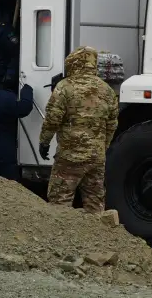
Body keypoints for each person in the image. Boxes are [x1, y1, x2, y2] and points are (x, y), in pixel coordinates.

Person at [38, 46, 119, 213]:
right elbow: (112, 124)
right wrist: (103, 147)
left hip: (69, 156)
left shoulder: (64, 87)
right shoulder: (107, 90)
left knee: (59, 202)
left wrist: (44, 142)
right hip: (96, 158)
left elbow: (52, 119)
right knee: (95, 204)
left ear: (72, 63)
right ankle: (97, 237)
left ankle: (60, 237)